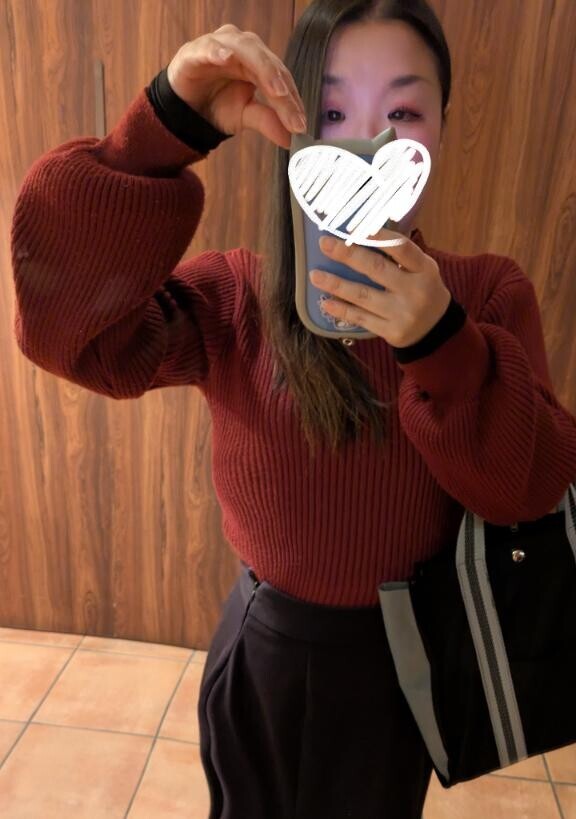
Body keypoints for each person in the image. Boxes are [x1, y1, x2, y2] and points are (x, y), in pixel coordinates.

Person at [10, 1, 576, 817]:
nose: (368, 147)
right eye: (335, 114)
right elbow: (70, 332)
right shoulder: (236, 297)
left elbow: (530, 487)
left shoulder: (485, 296)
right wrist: (163, 126)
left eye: (403, 113)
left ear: (443, 129)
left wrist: (443, 342)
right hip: (262, 651)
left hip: (404, 662)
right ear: (295, 134)